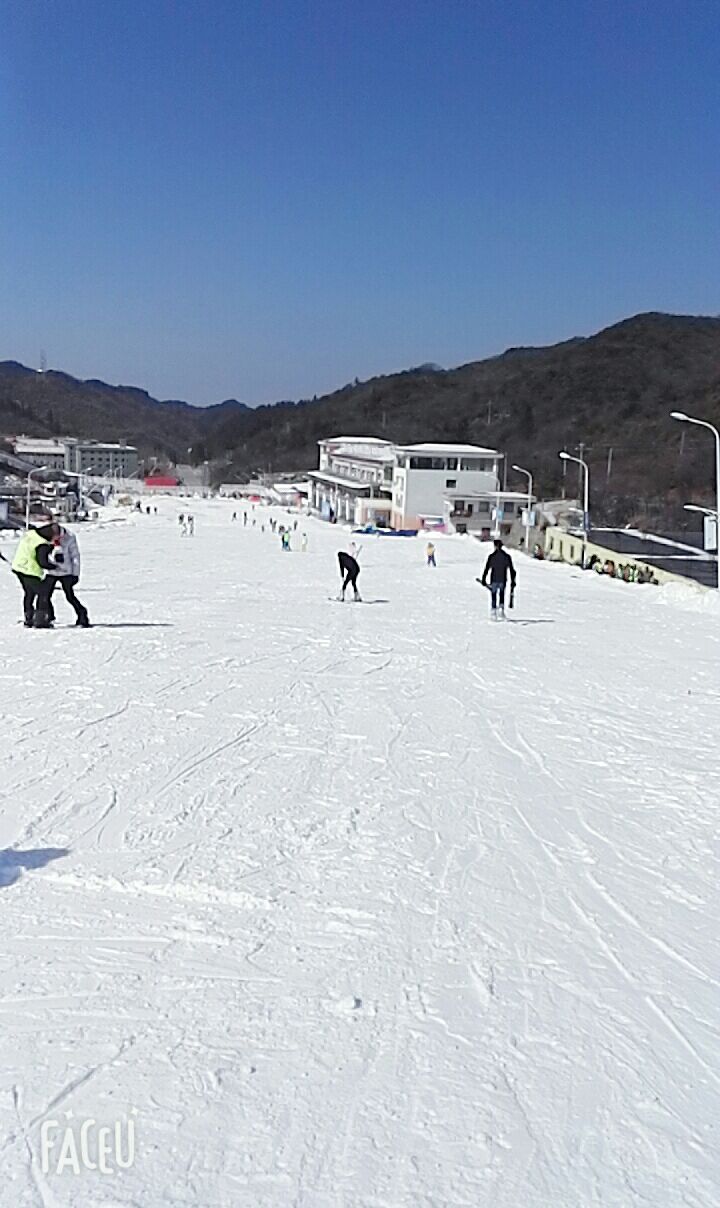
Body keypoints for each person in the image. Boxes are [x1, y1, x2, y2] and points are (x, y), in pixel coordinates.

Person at [11, 520, 60, 628]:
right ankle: (40, 620)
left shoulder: (31, 534)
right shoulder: (42, 544)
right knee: (43, 594)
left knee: (29, 594)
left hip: (19, 567)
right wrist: (55, 566)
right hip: (30, 571)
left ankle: (29, 618)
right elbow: (42, 562)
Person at [44, 525, 90, 628]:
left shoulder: (69, 537)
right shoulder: (46, 536)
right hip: (51, 571)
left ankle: (82, 616)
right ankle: (48, 617)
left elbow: (75, 556)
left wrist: (75, 574)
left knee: (70, 596)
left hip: (66, 571)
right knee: (45, 596)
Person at [481, 538, 516, 617]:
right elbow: (512, 570)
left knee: (493, 595)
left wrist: (484, 578)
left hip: (494, 579)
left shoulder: (492, 556)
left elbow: (487, 568)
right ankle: (501, 610)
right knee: (501, 594)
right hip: (503, 579)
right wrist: (513, 581)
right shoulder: (506, 557)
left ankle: (493, 611)